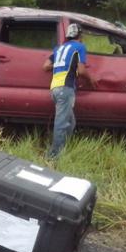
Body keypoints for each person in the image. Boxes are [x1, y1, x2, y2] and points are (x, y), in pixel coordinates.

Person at [42, 23, 97, 158]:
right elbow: (82, 70)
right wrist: (91, 80)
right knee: (62, 123)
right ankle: (53, 156)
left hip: (54, 88)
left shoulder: (59, 48)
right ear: (80, 35)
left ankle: (64, 148)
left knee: (70, 122)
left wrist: (62, 63)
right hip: (65, 88)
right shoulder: (79, 47)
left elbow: (45, 66)